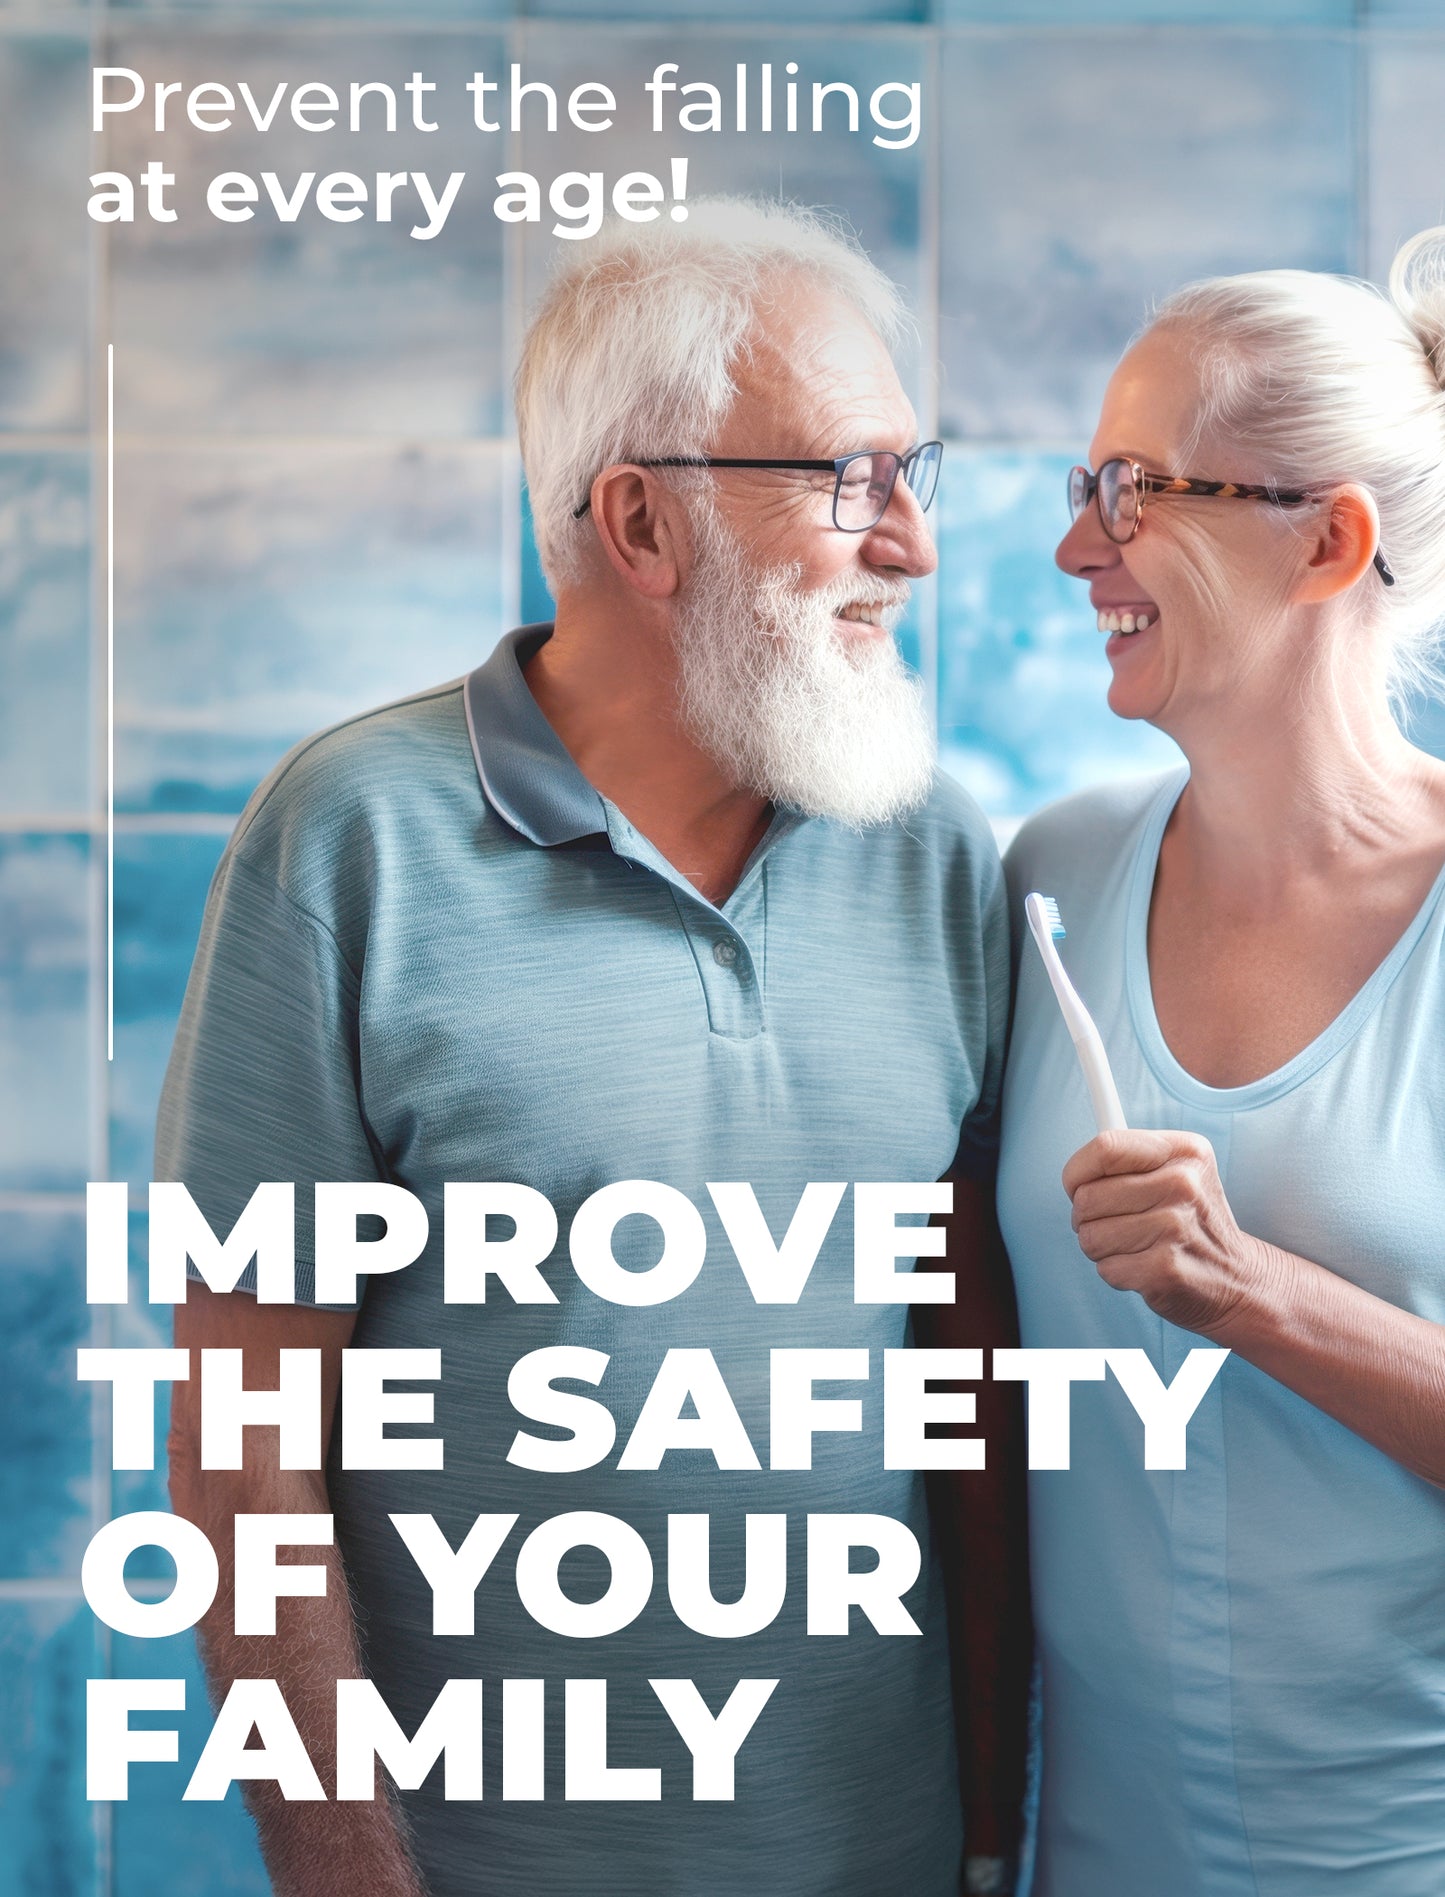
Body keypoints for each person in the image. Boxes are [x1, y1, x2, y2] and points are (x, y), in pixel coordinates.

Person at [160, 199, 1029, 1897]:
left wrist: (990, 1823)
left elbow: (973, 1391)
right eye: (847, 479)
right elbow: (241, 1438)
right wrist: (350, 1876)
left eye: (909, 470)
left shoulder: (933, 853)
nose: (912, 543)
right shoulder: (348, 842)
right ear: (640, 519)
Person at [1000, 229, 1445, 1896]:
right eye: (1083, 480)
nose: (1069, 547)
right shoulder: (1050, 877)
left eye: (1133, 490)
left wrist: (1251, 1292)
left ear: (1324, 542)